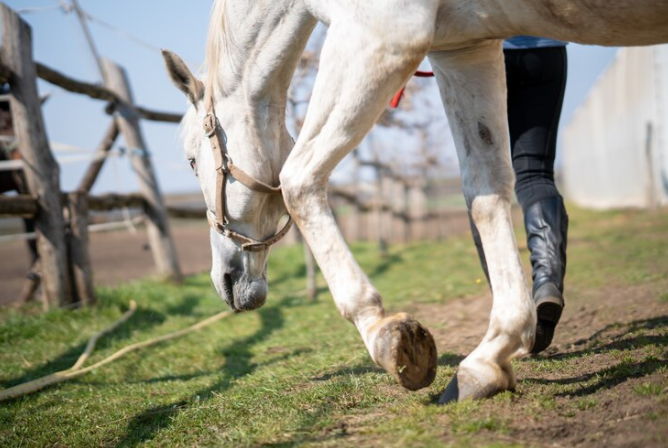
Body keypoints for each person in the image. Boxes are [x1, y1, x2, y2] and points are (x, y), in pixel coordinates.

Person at [470, 36, 569, 354]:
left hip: (476, 54)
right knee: (535, 173)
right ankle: (547, 281)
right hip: (544, 47)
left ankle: (511, 302)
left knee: (482, 181)